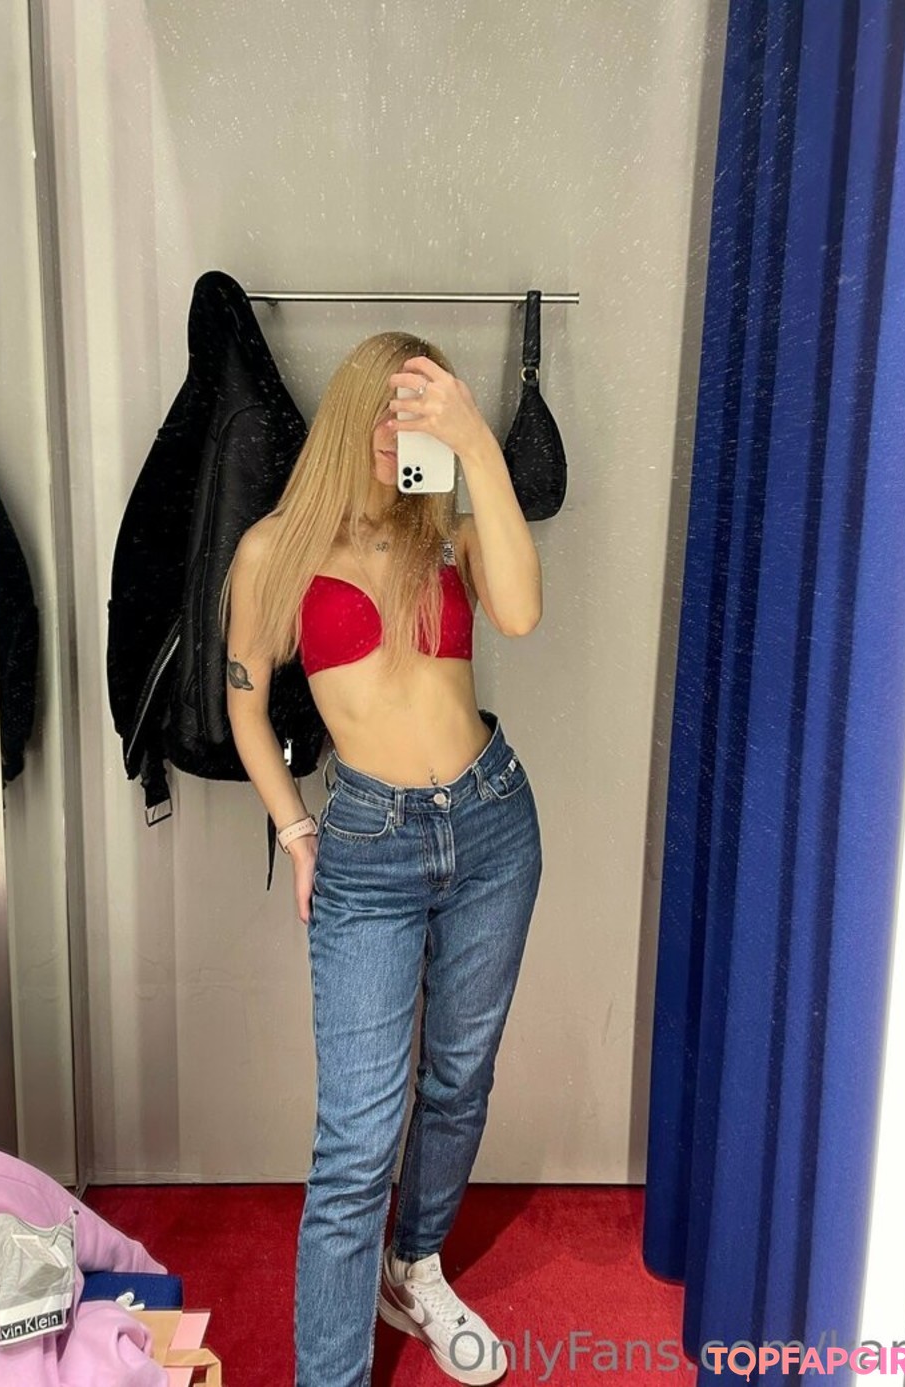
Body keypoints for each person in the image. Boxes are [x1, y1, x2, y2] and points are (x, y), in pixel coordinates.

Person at [220, 331, 543, 1387]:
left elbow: (521, 613)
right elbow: (244, 703)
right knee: (357, 1141)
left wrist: (475, 445)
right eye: (389, 408)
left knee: (458, 1077)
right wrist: (295, 829)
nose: (398, 435)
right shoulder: (274, 550)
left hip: (492, 823)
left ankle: (416, 1263)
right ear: (351, 408)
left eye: (422, 415)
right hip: (368, 846)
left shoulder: (443, 535)